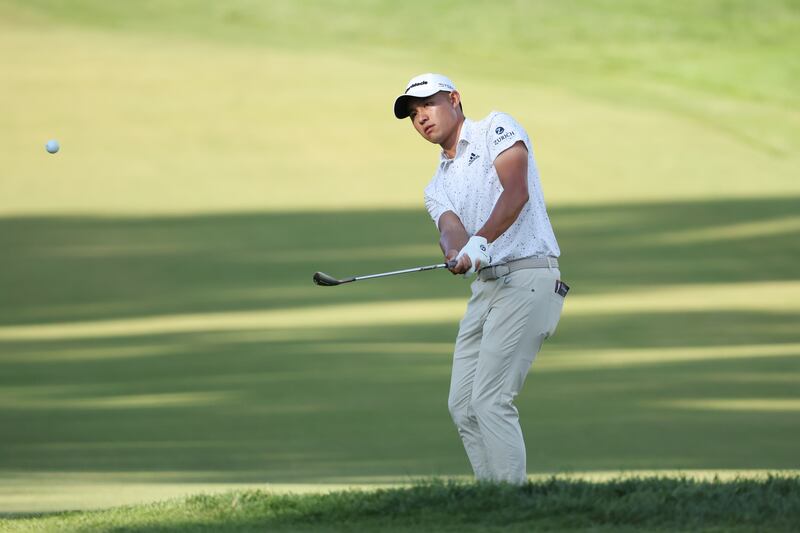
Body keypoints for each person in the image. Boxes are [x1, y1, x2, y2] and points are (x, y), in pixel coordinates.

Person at [393, 73, 568, 484]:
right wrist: (458, 252)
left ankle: (512, 504)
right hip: (487, 287)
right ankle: (492, 500)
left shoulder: (496, 128)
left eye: (428, 105)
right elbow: (450, 229)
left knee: (490, 399)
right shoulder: (436, 186)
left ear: (454, 99)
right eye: (414, 114)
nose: (421, 118)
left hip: (528, 276)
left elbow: (516, 191)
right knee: (462, 404)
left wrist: (480, 242)